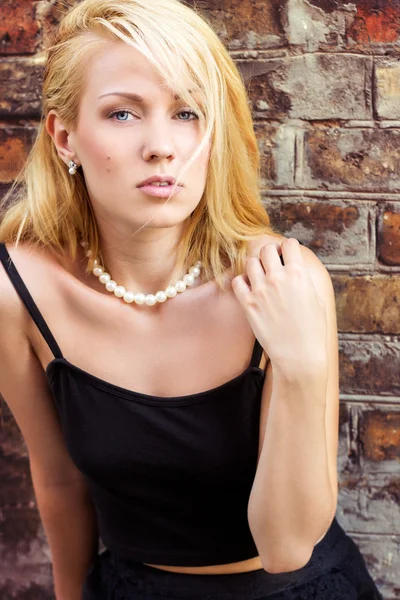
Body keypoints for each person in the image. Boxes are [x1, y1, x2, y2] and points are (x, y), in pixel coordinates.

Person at [0, 0, 383, 598]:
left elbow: (285, 548)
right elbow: (59, 482)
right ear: (65, 136)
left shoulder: (282, 278)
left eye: (186, 112)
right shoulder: (18, 293)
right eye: (123, 114)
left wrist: (303, 367)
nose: (161, 146)